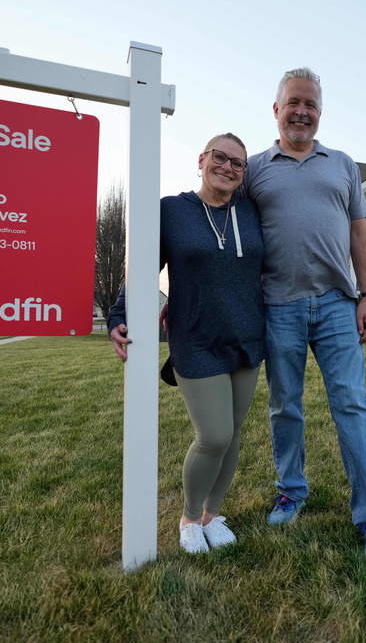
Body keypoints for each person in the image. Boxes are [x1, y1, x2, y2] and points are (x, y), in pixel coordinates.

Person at [240, 67, 366, 563]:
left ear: (319, 113)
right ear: (277, 109)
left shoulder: (343, 165)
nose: (301, 112)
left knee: (352, 404)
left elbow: (361, 236)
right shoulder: (256, 169)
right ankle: (291, 489)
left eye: (310, 104)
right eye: (293, 103)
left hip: (336, 305)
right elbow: (236, 237)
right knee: (285, 405)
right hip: (278, 305)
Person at [108, 133, 265, 555]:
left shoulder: (251, 211)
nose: (228, 167)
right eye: (220, 157)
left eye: (238, 163)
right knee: (213, 435)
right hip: (195, 338)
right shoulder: (171, 211)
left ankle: (214, 515)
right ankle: (190, 517)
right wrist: (119, 314)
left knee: (232, 436)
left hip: (248, 336)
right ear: (201, 159)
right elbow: (142, 267)